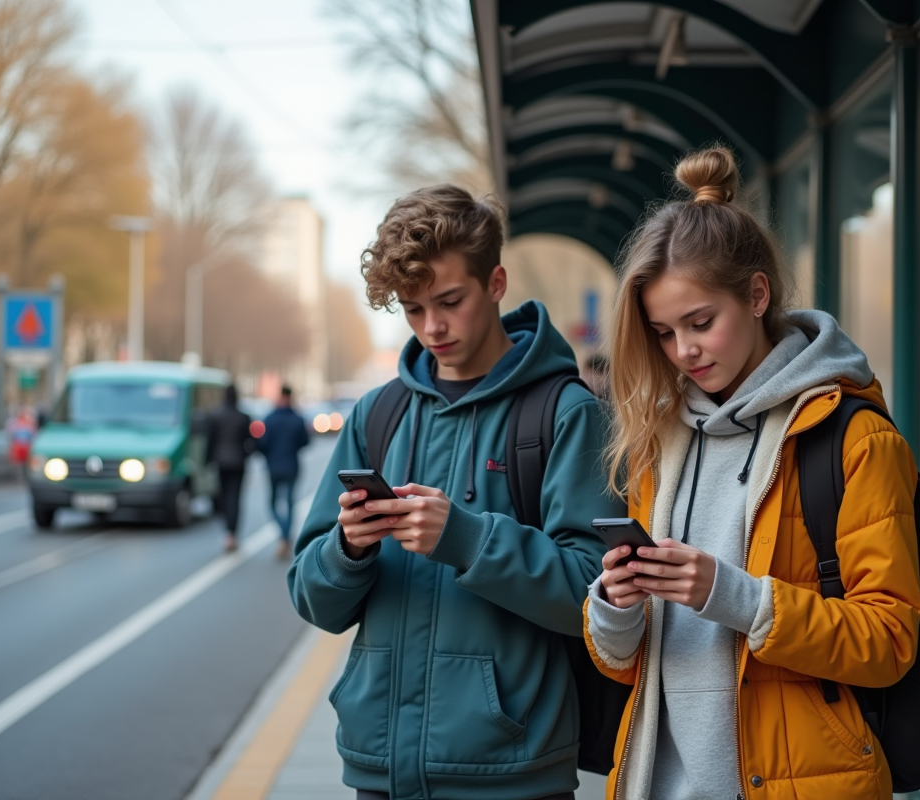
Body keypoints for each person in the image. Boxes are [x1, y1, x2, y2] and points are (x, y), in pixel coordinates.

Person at [583, 146, 920, 799]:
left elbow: (889, 641)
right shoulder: (659, 441)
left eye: (700, 323)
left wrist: (732, 593)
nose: (683, 350)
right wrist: (615, 607)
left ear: (757, 294)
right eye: (662, 332)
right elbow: (624, 662)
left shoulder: (854, 438)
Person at [287, 185, 623, 800]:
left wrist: (465, 538)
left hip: (512, 774)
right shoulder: (376, 414)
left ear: (495, 283)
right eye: (412, 310)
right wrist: (348, 549)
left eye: (449, 301)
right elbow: (312, 601)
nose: (432, 327)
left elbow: (597, 599)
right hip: (377, 769)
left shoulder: (567, 413)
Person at [257, 385, 310, 559]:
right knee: (289, 503)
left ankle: (283, 535)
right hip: (292, 466)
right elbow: (305, 441)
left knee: (272, 503)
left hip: (273, 466)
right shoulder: (297, 418)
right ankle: (286, 536)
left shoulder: (270, 418)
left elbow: (262, 444)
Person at [205, 383, 254, 552]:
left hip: (220, 462)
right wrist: (245, 455)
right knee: (235, 498)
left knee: (224, 497)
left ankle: (227, 532)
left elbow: (210, 441)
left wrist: (207, 460)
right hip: (238, 462)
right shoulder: (243, 417)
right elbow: (251, 442)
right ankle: (232, 533)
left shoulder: (216, 416)